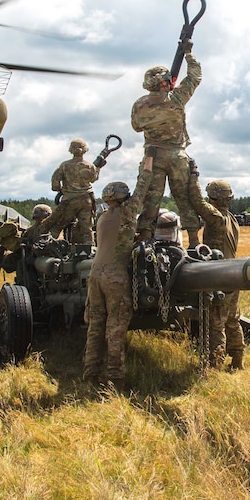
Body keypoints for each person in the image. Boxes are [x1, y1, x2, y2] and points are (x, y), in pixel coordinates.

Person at [83, 153, 154, 390]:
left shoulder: (102, 218)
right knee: (116, 327)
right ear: (124, 198)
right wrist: (148, 161)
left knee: (96, 325)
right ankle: (115, 378)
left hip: (95, 275)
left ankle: (91, 372)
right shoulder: (127, 212)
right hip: (115, 276)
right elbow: (143, 187)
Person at [130, 41, 204, 245]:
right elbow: (195, 76)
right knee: (184, 198)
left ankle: (145, 237)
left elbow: (136, 127)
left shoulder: (139, 104)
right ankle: (194, 241)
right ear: (165, 82)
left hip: (152, 157)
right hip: (177, 156)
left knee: (151, 199)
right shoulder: (177, 98)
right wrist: (189, 54)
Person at [189, 175, 244, 370]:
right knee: (232, 319)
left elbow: (196, 201)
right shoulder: (232, 218)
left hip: (220, 275)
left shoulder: (216, 218)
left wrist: (192, 176)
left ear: (213, 198)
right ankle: (238, 360)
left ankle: (215, 364)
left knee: (217, 322)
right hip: (234, 274)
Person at [38, 138, 101, 244]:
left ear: (71, 150)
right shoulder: (90, 166)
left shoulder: (64, 166)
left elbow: (55, 184)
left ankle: (46, 246)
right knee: (87, 229)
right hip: (86, 201)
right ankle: (90, 251)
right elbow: (94, 179)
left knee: (58, 226)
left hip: (69, 201)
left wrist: (61, 189)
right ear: (85, 150)